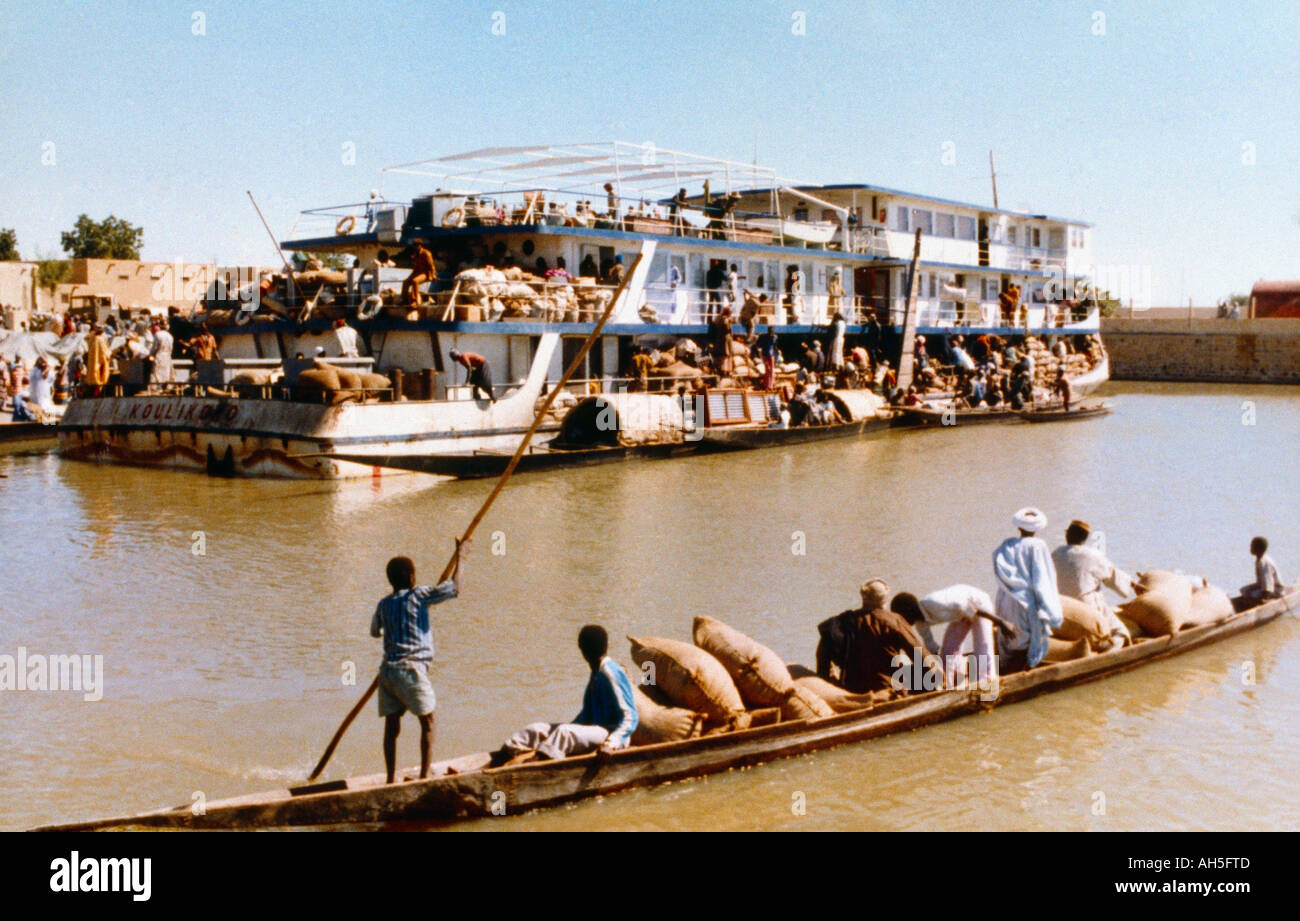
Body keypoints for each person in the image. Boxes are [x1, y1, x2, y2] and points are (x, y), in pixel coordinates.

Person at [369, 544, 465, 783]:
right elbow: (454, 588)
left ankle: (390, 779)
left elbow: (374, 632)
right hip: (411, 670)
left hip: (388, 672)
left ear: (390, 581)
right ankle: (424, 777)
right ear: (412, 577)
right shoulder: (419, 595)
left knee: (392, 725)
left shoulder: (384, 604)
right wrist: (461, 558)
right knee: (429, 722)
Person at [488, 625, 638, 766]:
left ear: (583, 650)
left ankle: (536, 762)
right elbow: (587, 714)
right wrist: (567, 728)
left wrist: (611, 743)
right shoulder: (596, 673)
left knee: (564, 732)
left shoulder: (610, 672)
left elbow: (631, 716)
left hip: (611, 733)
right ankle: (501, 758)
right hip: (594, 730)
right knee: (534, 729)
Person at [816, 579, 935, 694]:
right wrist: (940, 682)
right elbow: (921, 656)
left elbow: (822, 660)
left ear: (863, 597)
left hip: (853, 692)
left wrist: (832, 685)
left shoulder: (842, 622)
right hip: (890, 691)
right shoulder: (894, 621)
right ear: (885, 599)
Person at [891, 586, 1017, 689]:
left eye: (902, 619)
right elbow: (932, 648)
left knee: (983, 647)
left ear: (909, 613)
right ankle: (950, 685)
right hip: (960, 614)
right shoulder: (920, 624)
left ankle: (987, 684)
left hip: (978, 605)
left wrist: (1001, 622)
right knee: (948, 652)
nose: (903, 624)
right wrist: (933, 669)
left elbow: (972, 608)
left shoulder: (935, 603)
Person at [992, 507, 1064, 672]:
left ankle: (1002, 669)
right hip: (1026, 603)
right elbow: (1043, 579)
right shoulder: (1038, 546)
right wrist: (1050, 610)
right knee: (1027, 641)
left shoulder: (1007, 545)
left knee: (1007, 638)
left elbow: (1000, 572)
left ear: (1019, 527)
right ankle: (1018, 672)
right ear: (1038, 529)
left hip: (1005, 599)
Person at [1051, 519, 1132, 648]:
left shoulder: (1055, 554)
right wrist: (1132, 584)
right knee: (1121, 632)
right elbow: (1111, 577)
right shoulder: (1093, 555)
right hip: (1087, 608)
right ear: (1085, 539)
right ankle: (1109, 653)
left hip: (1061, 608)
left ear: (1067, 535)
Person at [1241, 537, 1285, 605]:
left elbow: (1268, 582)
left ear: (1258, 549)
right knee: (1244, 590)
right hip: (1263, 586)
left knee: (1251, 594)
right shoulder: (1259, 560)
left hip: (1275, 590)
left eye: (1252, 546)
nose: (1250, 548)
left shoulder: (1265, 562)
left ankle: (1262, 602)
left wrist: (1265, 598)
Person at [402, 240, 436, 307]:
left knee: (415, 281)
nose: (415, 247)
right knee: (405, 282)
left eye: (417, 245)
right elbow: (415, 267)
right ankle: (405, 300)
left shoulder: (426, 253)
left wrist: (433, 274)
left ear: (420, 245)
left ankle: (415, 301)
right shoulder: (415, 254)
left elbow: (431, 265)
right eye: (414, 245)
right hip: (417, 272)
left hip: (426, 273)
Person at [148, 320, 174, 384]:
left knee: (157, 372)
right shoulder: (170, 336)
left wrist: (150, 354)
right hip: (167, 355)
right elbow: (171, 347)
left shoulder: (158, 335)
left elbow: (155, 347)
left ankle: (157, 387)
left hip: (159, 355)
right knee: (166, 372)